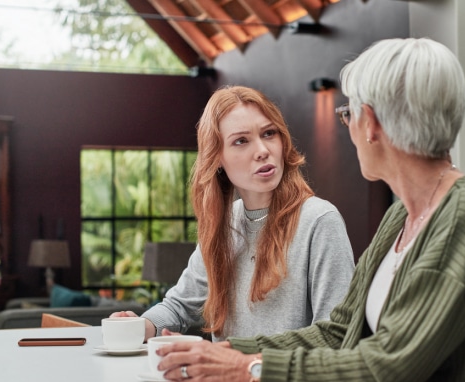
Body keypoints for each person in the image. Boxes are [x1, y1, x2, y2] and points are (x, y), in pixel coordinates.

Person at [154, 38, 465, 382]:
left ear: (372, 124)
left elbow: (389, 364)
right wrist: (231, 353)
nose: (347, 127)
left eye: (348, 115)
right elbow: (339, 331)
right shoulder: (402, 216)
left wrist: (251, 370)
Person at [113, 86, 354, 342]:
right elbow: (178, 306)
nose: (262, 150)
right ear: (217, 157)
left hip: (280, 381)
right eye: (241, 140)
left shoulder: (319, 220)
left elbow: (335, 336)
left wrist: (243, 363)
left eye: (269, 133)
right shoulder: (225, 224)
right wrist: (141, 325)